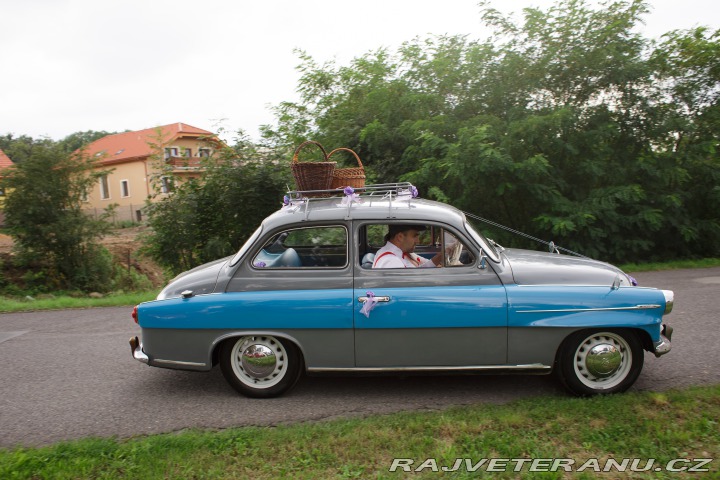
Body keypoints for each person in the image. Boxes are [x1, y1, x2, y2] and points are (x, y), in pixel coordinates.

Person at [372, 225, 442, 268]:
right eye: (415, 236)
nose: (418, 241)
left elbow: (419, 271)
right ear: (400, 237)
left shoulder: (402, 253)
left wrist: (442, 255)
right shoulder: (392, 261)